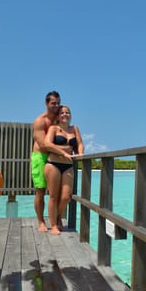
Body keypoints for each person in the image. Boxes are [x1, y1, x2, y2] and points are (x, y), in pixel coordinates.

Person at [31, 91, 72, 232]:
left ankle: (57, 217)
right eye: (53, 103)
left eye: (58, 103)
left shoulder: (59, 118)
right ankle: (41, 221)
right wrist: (63, 152)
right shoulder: (40, 121)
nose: (56, 106)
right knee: (41, 191)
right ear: (46, 103)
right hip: (40, 157)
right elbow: (44, 145)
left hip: (56, 159)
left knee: (61, 193)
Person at [44, 105, 84, 234]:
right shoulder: (53, 128)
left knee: (66, 197)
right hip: (53, 164)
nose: (65, 115)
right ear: (57, 116)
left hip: (68, 165)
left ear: (70, 115)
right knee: (53, 196)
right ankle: (54, 224)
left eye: (67, 113)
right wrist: (63, 152)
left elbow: (80, 144)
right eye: (62, 113)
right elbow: (47, 144)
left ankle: (58, 215)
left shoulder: (74, 128)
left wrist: (81, 153)